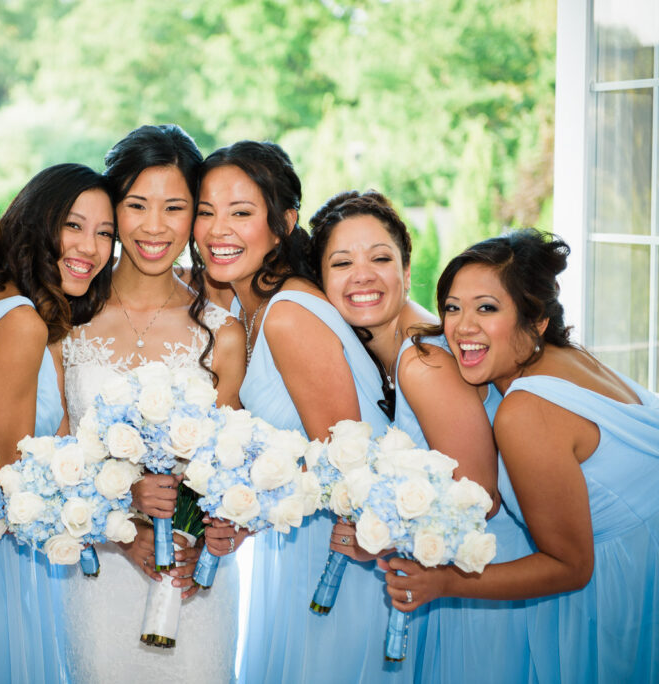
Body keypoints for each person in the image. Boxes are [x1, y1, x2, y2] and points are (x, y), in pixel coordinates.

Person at [385, 229, 659, 684]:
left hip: (620, 589)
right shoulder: (569, 357)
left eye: (487, 308)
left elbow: (570, 567)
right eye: (452, 307)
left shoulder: (526, 411)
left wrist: (444, 582)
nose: (462, 327)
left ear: (536, 320)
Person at [309, 190, 534, 682]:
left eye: (380, 258)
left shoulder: (423, 360)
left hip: (487, 574)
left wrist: (379, 534)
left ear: (407, 271)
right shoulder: (398, 355)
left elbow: (479, 496)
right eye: (342, 262)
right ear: (321, 282)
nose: (362, 275)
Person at [193, 141, 396, 682]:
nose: (218, 230)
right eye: (206, 212)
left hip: (339, 555)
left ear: (283, 223)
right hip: (298, 542)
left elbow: (344, 467)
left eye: (241, 213)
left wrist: (248, 511)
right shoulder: (247, 305)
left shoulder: (287, 314)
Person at [60, 124, 246, 683]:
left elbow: (232, 466)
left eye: (175, 207)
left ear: (195, 216)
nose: (154, 226)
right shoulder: (66, 323)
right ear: (113, 208)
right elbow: (51, 456)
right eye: (137, 205)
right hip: (98, 571)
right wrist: (120, 523)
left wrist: (222, 529)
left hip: (188, 579)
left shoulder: (222, 333)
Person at [0, 162, 116, 683]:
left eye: (105, 233)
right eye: (74, 225)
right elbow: (12, 472)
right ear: (36, 222)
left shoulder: (11, 307)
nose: (90, 247)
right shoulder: (20, 322)